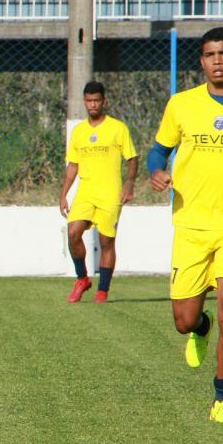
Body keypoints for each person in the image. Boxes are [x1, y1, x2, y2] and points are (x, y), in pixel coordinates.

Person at [148, 27, 223, 423]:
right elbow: (158, 150)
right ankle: (200, 328)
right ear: (200, 61)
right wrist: (155, 172)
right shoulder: (181, 105)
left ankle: (221, 399)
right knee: (183, 320)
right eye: (209, 54)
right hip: (192, 226)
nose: (217, 60)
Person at [59, 81, 139, 303]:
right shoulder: (79, 131)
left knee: (106, 242)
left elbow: (132, 159)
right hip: (86, 192)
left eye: (96, 100)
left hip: (110, 194)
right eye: (89, 101)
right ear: (84, 102)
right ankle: (82, 278)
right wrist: (63, 194)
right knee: (73, 231)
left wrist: (129, 183)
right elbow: (72, 165)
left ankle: (102, 291)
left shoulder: (117, 128)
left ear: (104, 101)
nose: (93, 105)